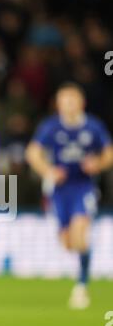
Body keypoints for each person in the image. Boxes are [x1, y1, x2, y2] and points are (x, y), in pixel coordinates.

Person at [26, 82, 113, 309]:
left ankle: (81, 286)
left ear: (80, 103)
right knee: (68, 243)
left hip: (83, 187)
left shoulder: (93, 127)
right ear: (59, 104)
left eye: (72, 101)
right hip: (60, 190)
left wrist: (98, 163)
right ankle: (83, 260)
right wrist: (49, 171)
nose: (68, 105)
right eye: (64, 101)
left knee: (79, 232)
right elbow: (33, 152)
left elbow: (109, 153)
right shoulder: (51, 127)